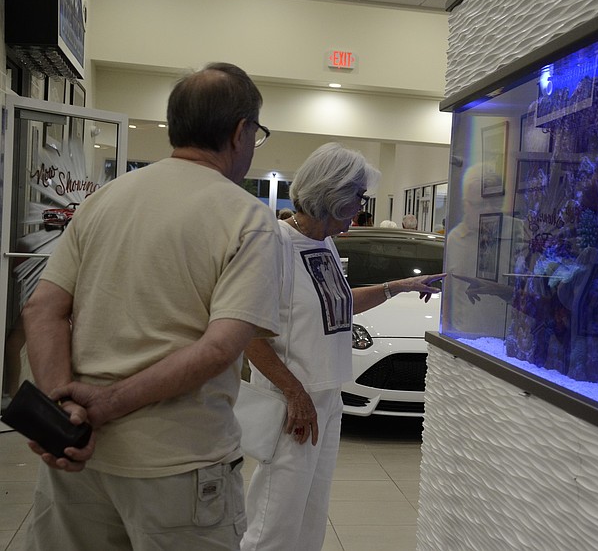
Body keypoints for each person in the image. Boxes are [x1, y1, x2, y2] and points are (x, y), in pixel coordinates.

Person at [20, 62, 283, 551]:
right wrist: (108, 405)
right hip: (179, 468)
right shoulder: (248, 218)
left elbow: (42, 309)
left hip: (78, 456)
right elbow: (220, 347)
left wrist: (65, 411)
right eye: (256, 133)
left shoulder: (104, 200)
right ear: (240, 131)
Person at [241, 142, 444, 551]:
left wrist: (396, 287)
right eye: (356, 197)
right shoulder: (274, 244)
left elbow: (338, 303)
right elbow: (247, 332)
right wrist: (294, 392)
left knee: (311, 514)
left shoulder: (325, 243)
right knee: (274, 519)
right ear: (330, 194)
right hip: (291, 402)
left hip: (326, 395)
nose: (360, 207)